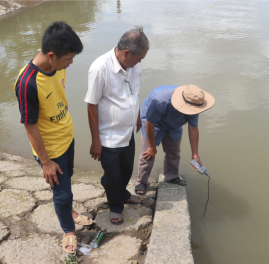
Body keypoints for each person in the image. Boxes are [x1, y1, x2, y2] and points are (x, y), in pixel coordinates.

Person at [14, 21, 92, 254]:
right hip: (51, 150)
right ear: (51, 55)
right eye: (68, 58)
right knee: (62, 192)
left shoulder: (57, 67)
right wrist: (46, 162)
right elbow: (30, 126)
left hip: (67, 137)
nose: (70, 63)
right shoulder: (27, 83)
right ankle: (68, 230)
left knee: (68, 179)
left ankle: (68, 212)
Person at [85, 26, 149, 225]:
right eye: (138, 58)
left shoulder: (134, 66)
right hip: (108, 136)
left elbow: (135, 94)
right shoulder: (100, 68)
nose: (139, 63)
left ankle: (123, 194)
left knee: (126, 168)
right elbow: (92, 104)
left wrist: (137, 117)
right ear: (126, 52)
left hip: (128, 130)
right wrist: (96, 140)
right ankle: (115, 206)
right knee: (112, 176)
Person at [135, 85, 215, 195]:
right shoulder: (159, 101)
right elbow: (150, 124)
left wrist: (195, 153)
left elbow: (193, 129)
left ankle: (171, 177)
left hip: (175, 123)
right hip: (153, 122)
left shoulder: (195, 104)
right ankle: (142, 182)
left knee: (174, 152)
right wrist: (152, 147)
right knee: (148, 154)